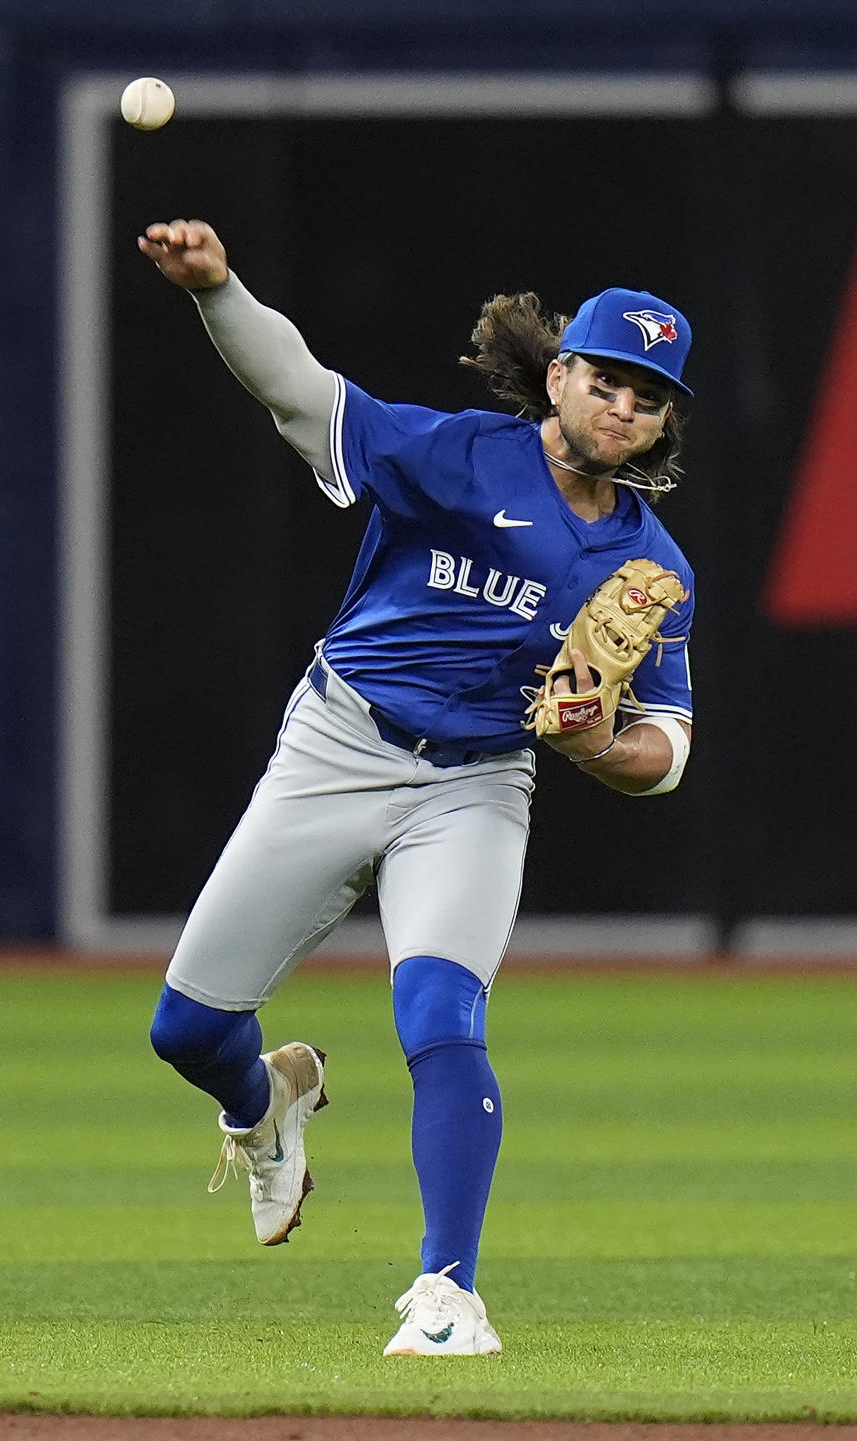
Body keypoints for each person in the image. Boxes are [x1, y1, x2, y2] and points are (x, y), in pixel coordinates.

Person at [140, 218, 695, 1357]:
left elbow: (669, 749)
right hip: (340, 744)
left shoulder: (654, 571)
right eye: (607, 381)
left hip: (478, 785)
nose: (624, 409)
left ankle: (448, 1292)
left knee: (441, 1012)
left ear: (664, 418)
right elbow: (302, 392)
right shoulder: (458, 455)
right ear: (560, 377)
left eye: (649, 395)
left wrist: (591, 741)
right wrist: (218, 289)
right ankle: (264, 1102)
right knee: (187, 1029)